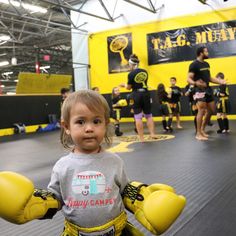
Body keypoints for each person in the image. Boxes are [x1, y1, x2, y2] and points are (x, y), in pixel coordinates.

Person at [0, 90, 186, 236]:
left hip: (117, 231)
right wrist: (34, 204)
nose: (89, 128)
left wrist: (144, 201)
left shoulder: (115, 161)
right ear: (66, 127)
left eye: (96, 121)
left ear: (105, 124)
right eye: (80, 122)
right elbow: (56, 197)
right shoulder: (63, 166)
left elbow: (124, 190)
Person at [187, 46, 226, 141]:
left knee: (212, 110)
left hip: (208, 89)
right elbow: (188, 79)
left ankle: (202, 129)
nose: (208, 53)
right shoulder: (194, 65)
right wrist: (195, 83)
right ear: (201, 53)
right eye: (206, 51)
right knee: (201, 110)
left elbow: (209, 78)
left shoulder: (207, 64)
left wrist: (220, 81)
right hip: (198, 90)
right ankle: (198, 133)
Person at [120, 54, 156, 142]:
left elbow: (128, 87)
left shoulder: (131, 74)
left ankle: (142, 138)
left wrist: (123, 85)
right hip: (146, 93)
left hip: (136, 94)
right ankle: (152, 134)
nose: (129, 66)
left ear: (132, 64)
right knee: (149, 115)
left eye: (129, 65)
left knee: (138, 117)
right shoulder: (145, 71)